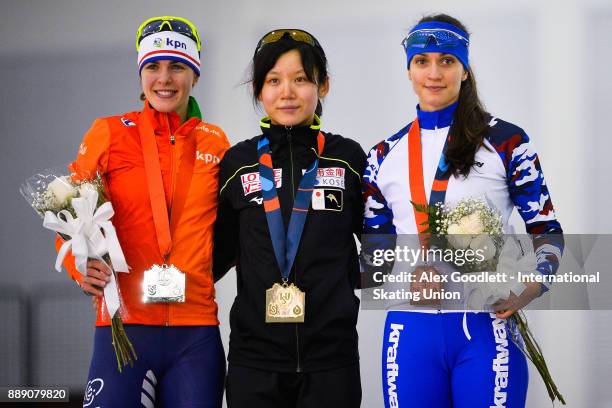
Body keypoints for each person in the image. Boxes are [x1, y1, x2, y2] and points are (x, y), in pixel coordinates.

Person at [362, 14, 564, 408]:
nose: (434, 73)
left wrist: (535, 285)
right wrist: (406, 282)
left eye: (447, 60)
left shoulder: (506, 141)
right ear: (409, 70)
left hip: (488, 326)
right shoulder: (382, 156)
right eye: (422, 61)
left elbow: (547, 229)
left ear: (465, 69)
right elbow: (374, 259)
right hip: (412, 330)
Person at [56, 16, 229, 408]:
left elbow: (231, 231)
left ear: (195, 75)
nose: (164, 78)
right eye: (153, 66)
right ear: (140, 74)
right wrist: (78, 265)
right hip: (124, 328)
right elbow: (67, 217)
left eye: (177, 66)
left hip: (196, 332)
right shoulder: (108, 132)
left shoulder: (216, 142)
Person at [213, 29, 366, 408]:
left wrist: (342, 288)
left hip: (331, 359)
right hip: (255, 360)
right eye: (274, 80)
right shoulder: (237, 163)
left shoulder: (349, 158)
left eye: (301, 79)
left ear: (323, 85)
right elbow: (216, 257)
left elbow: (384, 250)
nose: (287, 92)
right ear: (258, 89)